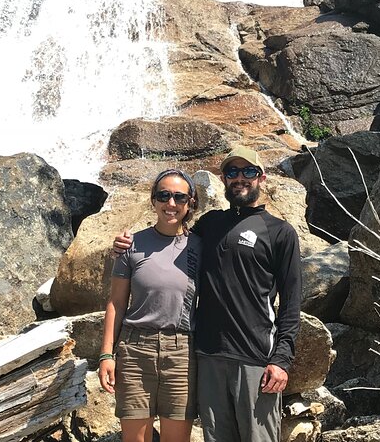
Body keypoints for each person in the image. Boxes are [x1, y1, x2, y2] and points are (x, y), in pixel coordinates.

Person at [114, 146, 302, 442]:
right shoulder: (210, 225)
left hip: (255, 358)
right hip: (208, 356)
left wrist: (281, 360)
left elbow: (292, 304)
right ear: (223, 179)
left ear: (261, 178)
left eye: (248, 172)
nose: (240, 178)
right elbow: (169, 235)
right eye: (232, 172)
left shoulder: (280, 232)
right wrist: (127, 243)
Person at [99, 169, 202, 442]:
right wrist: (106, 355)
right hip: (134, 350)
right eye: (164, 195)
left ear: (190, 202)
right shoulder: (131, 245)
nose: (171, 204)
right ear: (153, 200)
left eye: (179, 197)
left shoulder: (200, 246)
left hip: (182, 353)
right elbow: (116, 303)